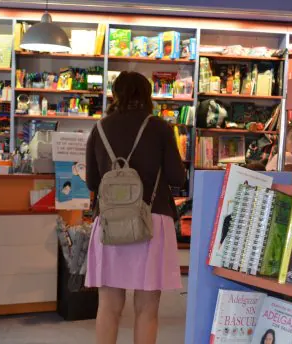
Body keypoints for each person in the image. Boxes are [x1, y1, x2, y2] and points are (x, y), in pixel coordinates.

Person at [85, 71, 186, 344]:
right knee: (147, 307)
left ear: (116, 94)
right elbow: (178, 178)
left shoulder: (100, 128)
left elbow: (92, 181)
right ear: (147, 95)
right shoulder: (161, 128)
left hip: (109, 222)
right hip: (152, 220)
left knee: (108, 305)